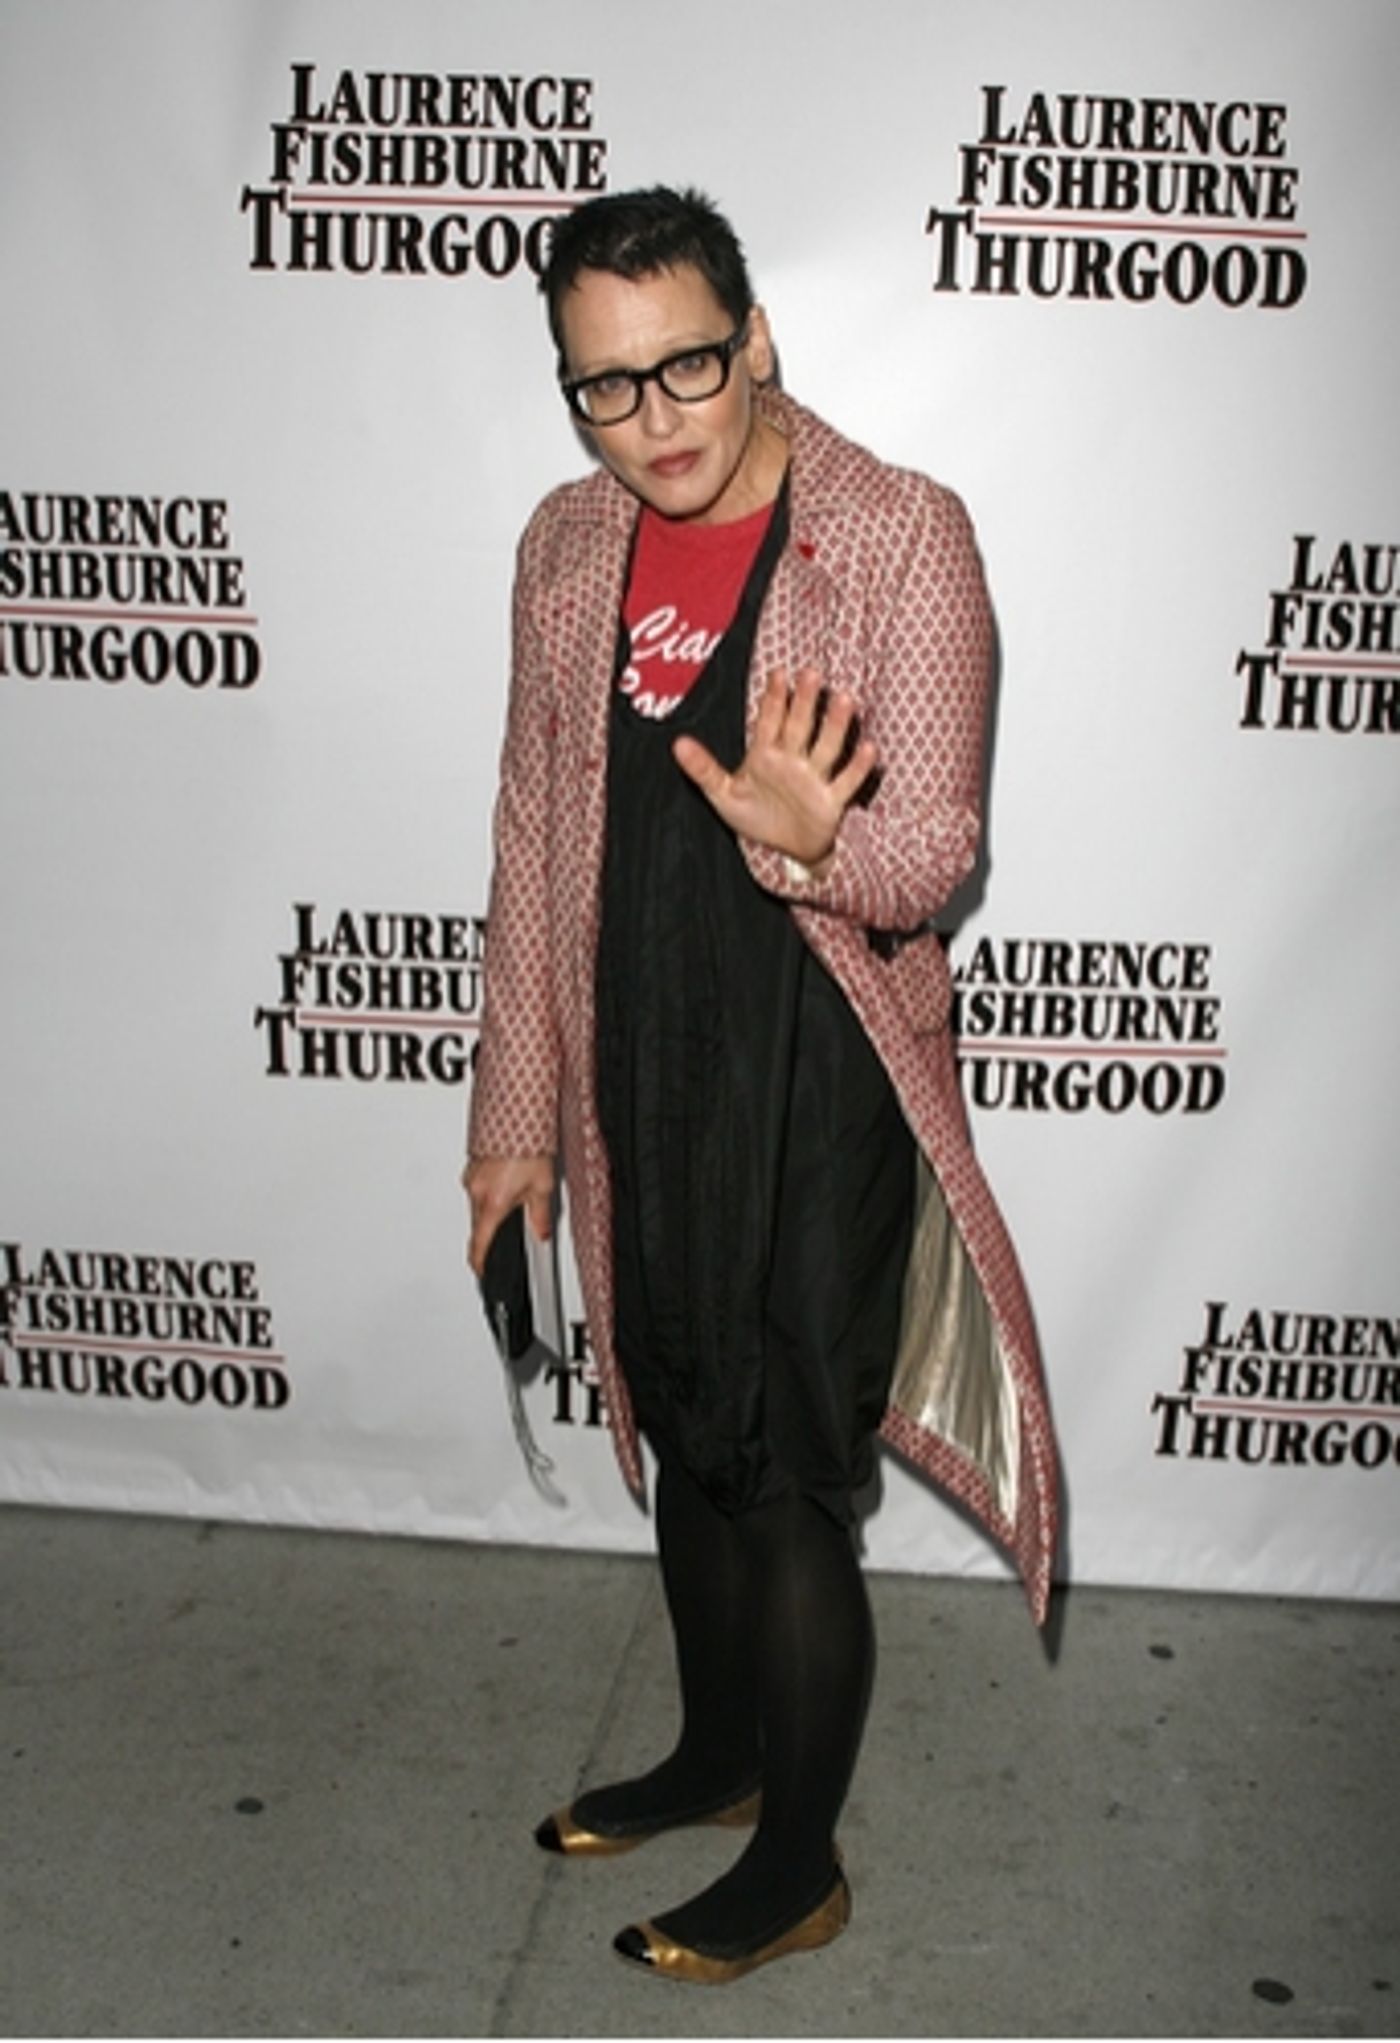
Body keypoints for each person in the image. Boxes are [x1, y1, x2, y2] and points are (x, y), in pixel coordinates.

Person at [464, 185, 1059, 1985]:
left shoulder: (898, 534)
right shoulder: (567, 544)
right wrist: (511, 1121)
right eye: (606, 385)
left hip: (817, 1058)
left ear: (760, 337)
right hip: (641, 1042)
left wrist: (814, 842)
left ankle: (797, 1860)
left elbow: (932, 856)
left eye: (689, 367)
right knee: (680, 1412)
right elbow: (533, 838)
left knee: (788, 1462)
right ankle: (718, 1754)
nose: (654, 421)